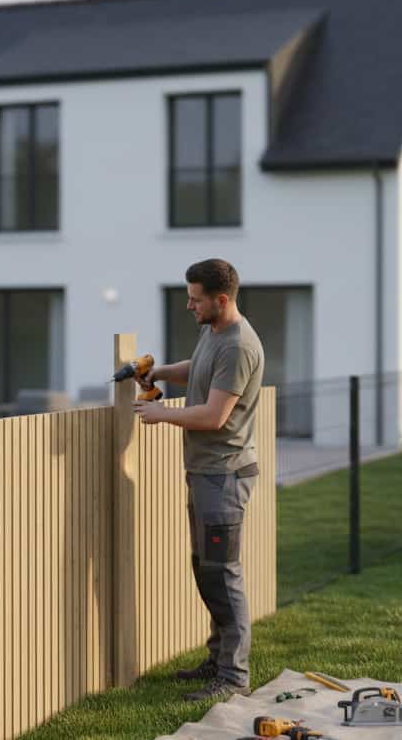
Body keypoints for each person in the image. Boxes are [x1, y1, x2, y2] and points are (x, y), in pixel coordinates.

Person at [133, 258, 265, 702]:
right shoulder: (214, 334)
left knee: (222, 575)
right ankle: (218, 660)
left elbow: (213, 415)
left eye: (195, 299)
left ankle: (233, 677)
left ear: (221, 299)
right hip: (206, 474)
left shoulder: (239, 346)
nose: (189, 306)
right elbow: (201, 368)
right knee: (207, 571)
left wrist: (161, 414)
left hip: (224, 477)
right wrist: (162, 374)